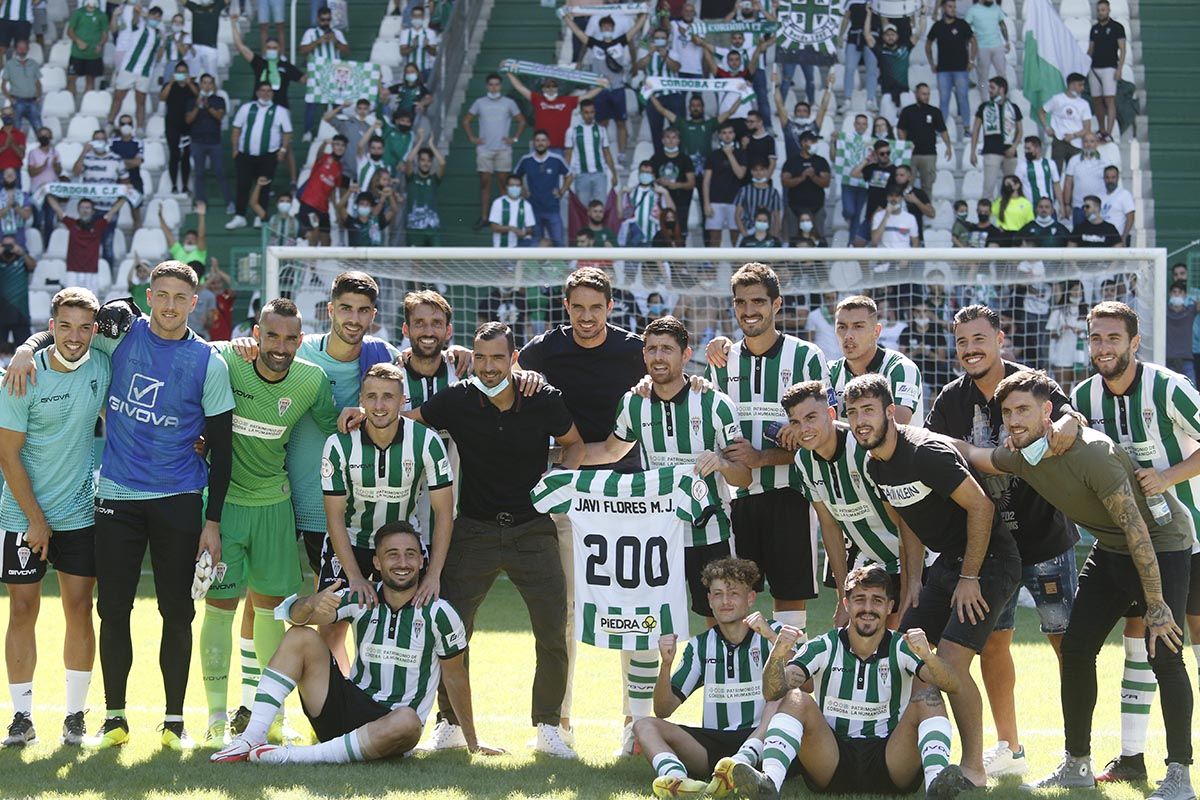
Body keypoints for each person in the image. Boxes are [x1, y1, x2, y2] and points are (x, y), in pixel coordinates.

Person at [5, 261, 234, 750]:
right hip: (115, 497)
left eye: (180, 298)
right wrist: (25, 348)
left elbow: (222, 445)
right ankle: (113, 719)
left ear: (195, 304)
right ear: (147, 296)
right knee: (113, 610)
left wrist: (211, 521)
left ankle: (174, 722)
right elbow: (70, 330)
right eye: (161, 295)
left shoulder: (209, 362)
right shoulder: (118, 338)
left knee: (177, 613)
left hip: (178, 498)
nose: (170, 306)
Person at [950, 370, 1194, 799]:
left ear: (1048, 411)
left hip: (1161, 543)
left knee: (1165, 651)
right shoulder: (1023, 454)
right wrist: (909, 434)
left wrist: (1156, 606)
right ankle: (1077, 765)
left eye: (1024, 409)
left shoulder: (1092, 452)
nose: (1014, 419)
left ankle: (1179, 776)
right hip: (1114, 547)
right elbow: (976, 453)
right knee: (1078, 649)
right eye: (1007, 412)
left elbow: (1137, 530)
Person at [408, 322, 585, 758]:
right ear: (473, 356)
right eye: (481, 357)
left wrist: (555, 482)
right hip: (475, 529)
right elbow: (406, 422)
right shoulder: (459, 398)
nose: (488, 367)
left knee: (551, 632)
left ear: (513, 357)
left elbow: (574, 444)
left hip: (533, 529)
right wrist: (363, 414)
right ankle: (448, 723)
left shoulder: (541, 398)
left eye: (498, 358)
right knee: (453, 631)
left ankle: (547, 726)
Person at [925, 305, 1083, 778]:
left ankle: (1079, 752)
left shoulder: (1030, 382)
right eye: (962, 342)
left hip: (1046, 540)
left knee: (1066, 646)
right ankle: (1010, 749)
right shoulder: (950, 402)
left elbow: (1068, 413)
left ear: (1000, 338)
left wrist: (1070, 421)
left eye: (979, 339)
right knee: (993, 645)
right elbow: (935, 457)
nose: (971, 349)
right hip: (992, 548)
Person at [845, 373, 1020, 789]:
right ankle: (912, 758)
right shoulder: (875, 463)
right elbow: (908, 520)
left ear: (890, 411)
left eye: (868, 410)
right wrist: (913, 584)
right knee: (905, 654)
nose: (860, 421)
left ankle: (974, 769)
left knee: (952, 664)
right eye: (852, 413)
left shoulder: (925, 452)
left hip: (989, 562)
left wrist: (970, 576)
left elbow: (981, 508)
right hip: (947, 565)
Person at [211, 522, 502, 764]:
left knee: (409, 721)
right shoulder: (362, 597)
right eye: (392, 555)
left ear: (422, 560)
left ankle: (297, 756)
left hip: (393, 725)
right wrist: (312, 602)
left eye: (410, 554)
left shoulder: (440, 613)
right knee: (301, 636)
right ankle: (251, 738)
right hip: (345, 706)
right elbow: (291, 617)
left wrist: (473, 741)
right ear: (377, 561)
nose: (402, 563)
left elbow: (455, 677)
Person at [512, 266, 648, 737]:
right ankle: (559, 719)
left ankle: (635, 720)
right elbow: (503, 382)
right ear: (565, 308)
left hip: (627, 492)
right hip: (568, 491)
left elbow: (676, 382)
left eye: (596, 307)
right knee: (564, 606)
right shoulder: (541, 352)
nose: (587, 317)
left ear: (611, 307)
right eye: (578, 308)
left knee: (632, 606)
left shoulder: (635, 351)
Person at [1070, 300, 1200, 785]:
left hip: (1189, 538)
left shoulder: (1167, 387)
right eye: (1096, 338)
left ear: (1134, 342)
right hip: (1128, 545)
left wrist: (1167, 476)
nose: (1103, 347)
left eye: (1113, 338)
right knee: (1137, 644)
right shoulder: (1083, 399)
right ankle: (1130, 757)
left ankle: (1180, 769)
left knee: (1182, 651)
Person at [198, 298, 338, 745]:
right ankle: (216, 721)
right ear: (255, 335)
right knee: (218, 611)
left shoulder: (312, 380)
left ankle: (269, 718)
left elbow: (334, 424)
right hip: (223, 509)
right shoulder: (227, 363)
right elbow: (190, 350)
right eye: (271, 335)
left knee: (271, 613)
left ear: (301, 340)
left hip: (275, 508)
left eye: (290, 338)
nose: (280, 346)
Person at [730, 565, 970, 800]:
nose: (868, 608)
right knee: (795, 698)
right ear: (846, 604)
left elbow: (953, 686)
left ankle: (936, 785)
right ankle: (769, 783)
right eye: (859, 599)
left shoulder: (902, 646)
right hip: (831, 758)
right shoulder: (823, 646)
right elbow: (773, 692)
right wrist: (778, 653)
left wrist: (928, 655)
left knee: (928, 696)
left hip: (890, 759)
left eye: (877, 600)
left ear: (889, 607)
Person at [0, 288, 107, 748]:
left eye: (85, 327)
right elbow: (7, 453)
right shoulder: (22, 375)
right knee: (23, 609)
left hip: (80, 513)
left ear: (95, 331)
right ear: (51, 327)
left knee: (80, 609)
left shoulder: (103, 364)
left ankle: (74, 717)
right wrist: (35, 519)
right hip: (20, 514)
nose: (75, 336)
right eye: (65, 325)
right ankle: (22, 718)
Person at [702, 263, 830, 636]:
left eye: (758, 301)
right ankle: (748, 690)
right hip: (738, 498)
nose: (749, 310)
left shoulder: (806, 357)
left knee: (790, 601)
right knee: (739, 598)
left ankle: (788, 688)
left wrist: (764, 458)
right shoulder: (721, 361)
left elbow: (821, 437)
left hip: (792, 494)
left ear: (777, 304)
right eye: (741, 302)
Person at [633, 559, 786, 798]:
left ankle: (745, 760)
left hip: (763, 742)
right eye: (718, 594)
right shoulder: (700, 646)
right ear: (709, 601)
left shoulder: (772, 632)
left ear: (751, 598)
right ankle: (678, 782)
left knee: (788, 696)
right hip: (714, 747)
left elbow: (805, 684)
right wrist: (665, 665)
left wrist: (771, 637)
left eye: (734, 593)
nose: (725, 601)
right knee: (643, 724)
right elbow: (663, 709)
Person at [781, 381, 914, 610]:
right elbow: (830, 526)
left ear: (831, 414)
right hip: (873, 561)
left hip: (916, 558)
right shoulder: (803, 461)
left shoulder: (866, 451)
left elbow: (904, 522)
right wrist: (842, 599)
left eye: (811, 417)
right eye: (795, 422)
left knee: (913, 636)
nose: (804, 429)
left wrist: (909, 587)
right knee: (860, 637)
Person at [827, 295, 924, 425]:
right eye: (842, 327)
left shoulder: (901, 368)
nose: (848, 335)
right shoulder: (830, 372)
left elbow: (896, 429)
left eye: (858, 326)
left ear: (876, 331)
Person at [563, 13, 642, 156]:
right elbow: (579, 33)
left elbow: (636, 29)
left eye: (609, 26)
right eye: (604, 26)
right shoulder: (594, 43)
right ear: (600, 28)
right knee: (601, 123)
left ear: (613, 28)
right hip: (599, 89)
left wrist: (645, 13)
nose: (607, 28)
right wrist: (567, 19)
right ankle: (600, 151)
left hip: (617, 87)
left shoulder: (620, 41)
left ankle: (622, 153)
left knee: (620, 122)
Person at [226, 81, 293, 231]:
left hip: (268, 155)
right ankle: (240, 216)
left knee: (264, 186)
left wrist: (283, 150)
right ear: (257, 93)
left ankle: (259, 216)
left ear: (272, 94)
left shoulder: (280, 111)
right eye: (262, 91)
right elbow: (236, 128)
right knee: (243, 185)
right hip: (245, 154)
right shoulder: (246, 108)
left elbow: (287, 132)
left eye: (269, 91)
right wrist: (235, 149)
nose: (265, 94)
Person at [462, 74, 525, 231]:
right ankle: (484, 218)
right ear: (486, 86)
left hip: (503, 149)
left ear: (501, 86)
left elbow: (522, 121)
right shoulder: (479, 102)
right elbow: (466, 120)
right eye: (491, 84)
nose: (494, 87)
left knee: (503, 184)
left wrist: (515, 138)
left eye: (497, 84)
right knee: (485, 184)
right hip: (484, 150)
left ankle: (503, 218)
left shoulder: (509, 103)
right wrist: (472, 138)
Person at [44, 195, 124, 293]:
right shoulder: (72, 224)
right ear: (78, 210)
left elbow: (112, 211)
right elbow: (57, 209)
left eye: (87, 208)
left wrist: (124, 196)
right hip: (72, 272)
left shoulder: (99, 225)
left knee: (91, 305)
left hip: (92, 272)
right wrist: (47, 194)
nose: (85, 210)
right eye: (82, 208)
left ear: (92, 211)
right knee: (71, 303)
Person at [506, 74, 603, 153]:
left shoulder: (567, 101)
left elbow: (587, 96)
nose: (551, 88)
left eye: (554, 86)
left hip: (560, 148)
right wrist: (508, 71)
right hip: (539, 147)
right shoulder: (537, 99)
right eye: (547, 86)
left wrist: (602, 85)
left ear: (557, 88)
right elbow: (520, 87)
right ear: (543, 88)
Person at [108, 4, 164, 132]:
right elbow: (135, 17)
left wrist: (163, 44)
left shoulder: (159, 34)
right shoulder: (139, 26)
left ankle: (139, 128)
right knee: (118, 97)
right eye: (153, 15)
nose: (155, 19)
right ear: (149, 15)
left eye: (158, 17)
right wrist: (137, 12)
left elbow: (158, 55)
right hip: (129, 67)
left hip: (145, 71)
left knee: (141, 101)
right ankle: (110, 123)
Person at [298, 6, 349, 140]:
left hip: (336, 75)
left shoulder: (337, 33)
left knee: (338, 104)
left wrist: (335, 41)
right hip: (317, 75)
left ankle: (341, 132)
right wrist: (317, 42)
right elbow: (302, 50)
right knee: (312, 105)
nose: (325, 22)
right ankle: (307, 132)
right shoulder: (310, 33)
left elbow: (346, 51)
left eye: (328, 19)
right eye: (323, 20)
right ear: (318, 19)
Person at [514, 130, 571, 247]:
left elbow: (569, 175)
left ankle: (563, 266)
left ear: (548, 143)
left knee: (558, 242)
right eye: (538, 140)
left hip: (552, 208)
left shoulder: (556, 159)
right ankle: (535, 266)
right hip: (533, 209)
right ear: (533, 143)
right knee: (535, 243)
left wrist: (562, 191)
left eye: (543, 140)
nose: (540, 143)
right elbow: (515, 176)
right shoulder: (526, 160)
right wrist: (523, 190)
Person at [925, 0, 975, 134]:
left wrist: (971, 60)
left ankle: (966, 128)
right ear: (943, 8)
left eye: (954, 7)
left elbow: (973, 41)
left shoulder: (962, 24)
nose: (953, 9)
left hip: (961, 69)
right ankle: (941, 129)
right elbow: (928, 44)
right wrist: (931, 63)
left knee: (963, 98)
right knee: (944, 100)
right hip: (943, 70)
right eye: (950, 6)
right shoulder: (937, 26)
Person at [970, 76, 1022, 199]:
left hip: (1010, 151)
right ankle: (985, 217)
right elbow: (976, 130)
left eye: (992, 88)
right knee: (988, 188)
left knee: (1011, 190)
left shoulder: (1013, 108)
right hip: (991, 151)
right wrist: (973, 151)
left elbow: (1020, 131)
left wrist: (1014, 147)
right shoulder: (984, 107)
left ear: (1002, 89)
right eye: (989, 88)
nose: (989, 90)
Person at [186, 73, 231, 212]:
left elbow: (219, 116)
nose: (206, 85)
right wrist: (197, 107)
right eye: (204, 82)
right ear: (200, 85)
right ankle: (200, 202)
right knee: (199, 174)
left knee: (220, 173)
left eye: (209, 82)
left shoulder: (218, 100)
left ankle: (230, 202)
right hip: (197, 142)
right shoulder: (192, 101)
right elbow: (188, 120)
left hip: (214, 142)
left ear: (213, 85)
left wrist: (207, 106)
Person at [897, 83, 952, 192]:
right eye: (923, 94)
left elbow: (943, 130)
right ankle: (907, 208)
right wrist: (906, 144)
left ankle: (926, 208)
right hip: (911, 154)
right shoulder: (908, 111)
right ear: (916, 94)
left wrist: (949, 147)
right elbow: (900, 129)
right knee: (907, 186)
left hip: (929, 154)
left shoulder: (935, 111)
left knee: (927, 186)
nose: (926, 97)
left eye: (928, 94)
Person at [564, 98, 617, 209]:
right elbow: (568, 155)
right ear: (581, 113)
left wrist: (614, 174)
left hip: (599, 174)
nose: (589, 115)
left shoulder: (601, 130)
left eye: (592, 112)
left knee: (600, 208)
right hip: (581, 174)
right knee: (583, 210)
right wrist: (566, 176)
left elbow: (607, 153)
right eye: (586, 112)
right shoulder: (572, 131)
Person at [702, 122, 747, 248]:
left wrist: (729, 154)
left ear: (734, 135)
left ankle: (737, 267)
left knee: (736, 237)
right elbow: (706, 181)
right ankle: (713, 267)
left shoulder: (741, 154)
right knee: (714, 237)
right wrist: (706, 203)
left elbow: (740, 174)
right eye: (724, 133)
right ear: (720, 136)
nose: (727, 136)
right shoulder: (713, 155)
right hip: (715, 201)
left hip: (735, 202)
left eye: (730, 133)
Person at [1088, 0, 1126, 142]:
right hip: (1094, 68)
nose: (1100, 12)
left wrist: (1119, 68)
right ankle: (1101, 129)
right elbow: (1090, 49)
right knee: (1096, 100)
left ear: (1109, 10)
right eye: (1098, 10)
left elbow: (1122, 50)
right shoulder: (1094, 29)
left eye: (1103, 10)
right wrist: (1084, 62)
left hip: (1110, 67)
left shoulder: (1117, 27)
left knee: (1109, 99)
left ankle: (1109, 132)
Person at [638, 29, 682, 151]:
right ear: (653, 39)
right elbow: (639, 66)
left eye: (662, 37)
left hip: (673, 94)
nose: (660, 40)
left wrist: (665, 56)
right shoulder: (646, 52)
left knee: (677, 128)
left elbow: (676, 68)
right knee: (656, 130)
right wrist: (650, 54)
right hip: (654, 96)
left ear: (667, 40)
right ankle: (659, 157)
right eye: (657, 37)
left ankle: (679, 156)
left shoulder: (673, 53)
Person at [779, 131, 830, 238]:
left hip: (816, 208)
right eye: (813, 141)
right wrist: (802, 177)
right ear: (803, 143)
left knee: (818, 240)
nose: (815, 144)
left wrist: (813, 176)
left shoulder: (821, 161)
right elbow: (785, 182)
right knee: (792, 240)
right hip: (794, 207)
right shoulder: (791, 161)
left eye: (816, 141)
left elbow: (826, 183)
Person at [1038, 72, 1093, 171]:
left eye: (1083, 85)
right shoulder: (1057, 99)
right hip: (1059, 140)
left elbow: (1087, 128)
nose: (1082, 88)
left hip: (1076, 143)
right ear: (1071, 85)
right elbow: (1041, 111)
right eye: (1080, 85)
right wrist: (1047, 127)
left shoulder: (1084, 104)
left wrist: (1073, 135)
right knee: (1055, 173)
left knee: (1075, 175)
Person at [849, 139, 897, 245]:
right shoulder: (871, 168)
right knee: (857, 244)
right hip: (870, 215)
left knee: (878, 246)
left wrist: (883, 209)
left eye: (888, 153)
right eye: (882, 153)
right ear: (875, 154)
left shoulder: (895, 171)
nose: (885, 155)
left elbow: (896, 194)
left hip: (885, 215)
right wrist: (867, 160)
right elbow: (854, 174)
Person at [159, 61, 195, 196]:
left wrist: (189, 83)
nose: (181, 74)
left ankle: (185, 185)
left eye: (183, 72)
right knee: (174, 155)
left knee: (186, 155)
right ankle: (174, 185)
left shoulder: (193, 85)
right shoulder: (170, 86)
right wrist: (170, 83)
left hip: (188, 126)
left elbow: (198, 96)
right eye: (178, 72)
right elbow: (162, 98)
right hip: (172, 125)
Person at [649, 126, 695, 227]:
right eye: (668, 137)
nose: (671, 140)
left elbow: (691, 183)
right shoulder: (655, 158)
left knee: (680, 234)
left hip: (681, 202)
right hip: (660, 202)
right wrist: (658, 181)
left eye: (674, 137)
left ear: (678, 140)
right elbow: (649, 180)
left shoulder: (685, 159)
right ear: (663, 140)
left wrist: (675, 185)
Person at [404, 144, 445, 247]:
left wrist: (431, 145)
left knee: (437, 261)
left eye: (428, 161)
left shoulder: (434, 179)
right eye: (422, 160)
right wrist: (420, 141)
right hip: (414, 228)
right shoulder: (411, 178)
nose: (425, 163)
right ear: (417, 161)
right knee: (416, 262)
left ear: (431, 163)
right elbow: (408, 160)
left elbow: (442, 163)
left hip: (433, 228)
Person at [65, 0, 107, 98]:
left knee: (90, 79)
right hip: (77, 54)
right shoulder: (78, 13)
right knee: (71, 78)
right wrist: (78, 41)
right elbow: (70, 31)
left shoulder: (101, 15)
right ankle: (70, 101)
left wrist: (100, 45)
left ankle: (87, 101)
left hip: (93, 54)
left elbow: (105, 35)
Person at [964, 0, 1008, 93]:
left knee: (1002, 75)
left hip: (997, 46)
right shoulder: (973, 10)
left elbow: (1002, 25)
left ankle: (1003, 100)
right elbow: (965, 27)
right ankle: (986, 102)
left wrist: (1007, 41)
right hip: (982, 48)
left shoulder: (997, 9)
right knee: (983, 78)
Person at [2, 40, 41, 134]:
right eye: (20, 48)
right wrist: (10, 98)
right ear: (16, 49)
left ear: (27, 49)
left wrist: (39, 96)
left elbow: (38, 83)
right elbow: (3, 85)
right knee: (16, 129)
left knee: (39, 128)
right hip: (17, 101)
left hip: (32, 101)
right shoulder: (10, 64)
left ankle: (42, 147)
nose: (22, 51)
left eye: (24, 48)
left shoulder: (34, 64)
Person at [1016, 135, 1061, 211]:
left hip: (1048, 207)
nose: (1026, 152)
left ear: (1037, 149)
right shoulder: (1021, 166)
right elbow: (1016, 187)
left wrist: (1061, 206)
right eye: (1025, 149)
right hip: (1030, 208)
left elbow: (1056, 185)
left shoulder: (1050, 163)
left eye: (1028, 149)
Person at [183, 0, 225, 83]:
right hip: (195, 47)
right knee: (192, 76)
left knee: (211, 77)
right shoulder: (195, 7)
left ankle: (212, 95)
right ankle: (193, 95)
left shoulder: (217, 5)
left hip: (211, 48)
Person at [488, 175, 534, 248]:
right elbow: (494, 227)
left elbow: (530, 229)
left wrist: (524, 232)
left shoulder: (526, 205)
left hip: (520, 247)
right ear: (507, 186)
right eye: (512, 185)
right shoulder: (498, 203)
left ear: (521, 187)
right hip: (502, 248)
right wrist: (512, 228)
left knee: (545, 243)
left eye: (517, 186)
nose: (515, 188)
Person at [870, 185, 921, 251]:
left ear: (901, 198)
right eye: (891, 196)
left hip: (903, 258)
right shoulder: (878, 216)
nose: (894, 199)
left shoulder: (910, 218)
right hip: (884, 259)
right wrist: (886, 215)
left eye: (897, 196)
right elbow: (874, 242)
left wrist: (908, 259)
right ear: (887, 198)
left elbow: (915, 242)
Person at [991, 175, 1033, 242]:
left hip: (1019, 236)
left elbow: (1029, 222)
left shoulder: (1026, 203)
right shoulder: (999, 202)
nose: (1006, 186)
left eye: (1008, 184)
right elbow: (988, 214)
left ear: (1017, 185)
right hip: (1002, 236)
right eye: (1005, 184)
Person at [1100, 165, 1135, 243]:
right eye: (1107, 177)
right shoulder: (1100, 195)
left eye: (1113, 177)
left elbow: (1130, 217)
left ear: (1118, 178)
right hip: (1101, 239)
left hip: (1117, 239)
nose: (1110, 180)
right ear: (1104, 179)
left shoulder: (1124, 194)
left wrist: (1124, 237)